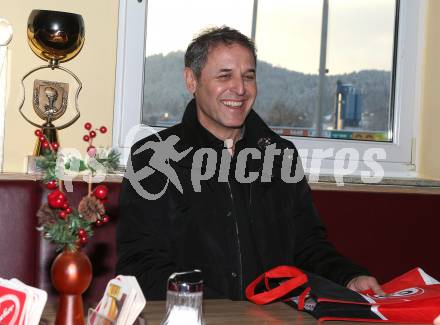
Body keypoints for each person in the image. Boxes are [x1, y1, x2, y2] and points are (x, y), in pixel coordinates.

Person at [116, 26, 384, 300]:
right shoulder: (152, 157)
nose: (240, 88)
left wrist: (349, 276)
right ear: (191, 80)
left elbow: (308, 245)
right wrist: (216, 310)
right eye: (225, 75)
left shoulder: (281, 155)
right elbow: (140, 264)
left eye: (249, 76)